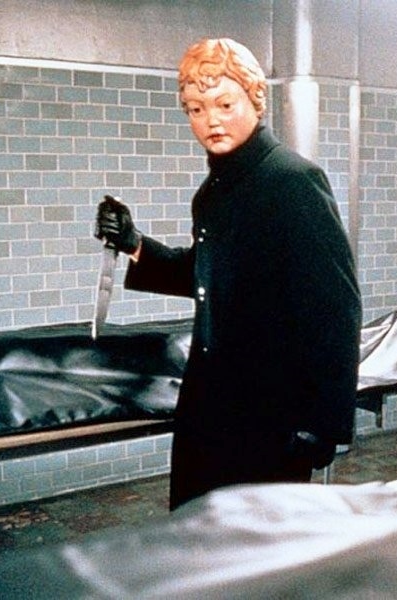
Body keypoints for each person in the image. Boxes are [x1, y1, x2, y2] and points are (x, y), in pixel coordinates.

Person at [94, 38, 362, 510]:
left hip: (271, 420)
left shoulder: (293, 181)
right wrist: (134, 243)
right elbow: (209, 275)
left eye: (224, 104)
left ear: (255, 100)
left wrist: (323, 423)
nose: (210, 120)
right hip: (209, 408)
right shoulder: (213, 193)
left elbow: (336, 308)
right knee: (199, 535)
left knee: (258, 549)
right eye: (196, 109)